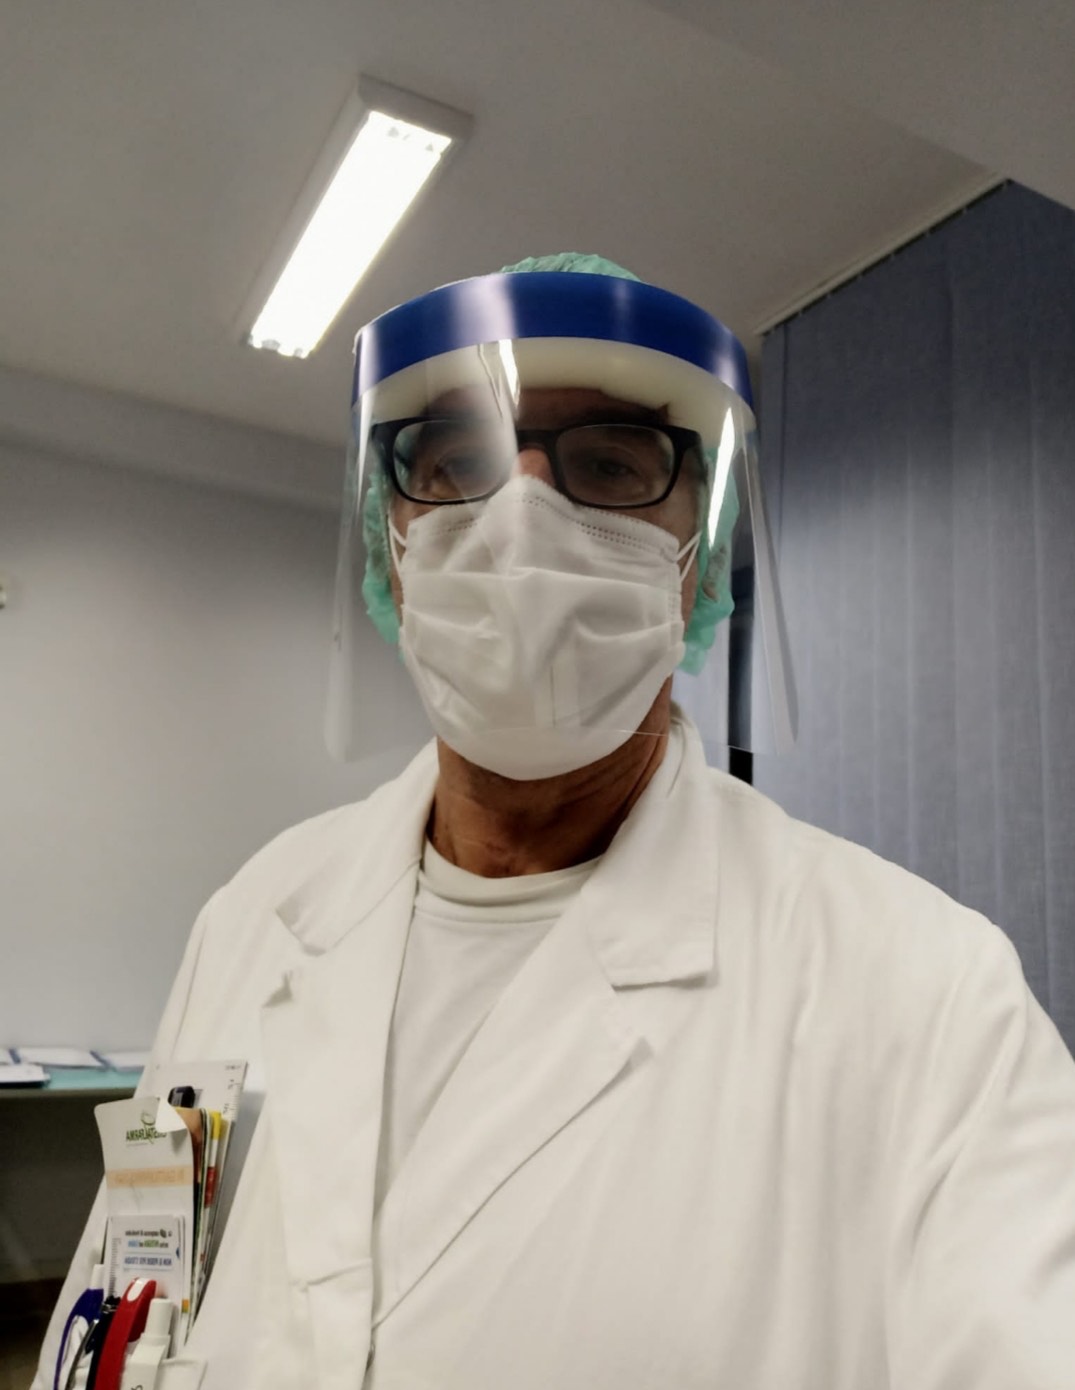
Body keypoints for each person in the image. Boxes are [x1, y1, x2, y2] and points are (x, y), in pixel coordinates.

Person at [34, 254, 1075, 1389]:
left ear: (695, 558)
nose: (519, 525)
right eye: (460, 462)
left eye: (610, 465)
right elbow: (118, 1310)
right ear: (391, 540)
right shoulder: (256, 915)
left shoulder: (925, 993)